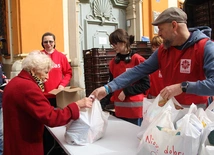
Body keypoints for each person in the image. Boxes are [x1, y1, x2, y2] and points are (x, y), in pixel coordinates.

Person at [91, 7, 214, 110]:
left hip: (198, 116)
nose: (158, 34)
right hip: (171, 114)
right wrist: (108, 88)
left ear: (174, 25)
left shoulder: (205, 47)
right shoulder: (163, 50)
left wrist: (183, 87)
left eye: (161, 29)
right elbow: (139, 70)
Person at [2, 50, 93, 155]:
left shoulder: (16, 81)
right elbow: (51, 118)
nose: (47, 77)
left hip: (15, 144)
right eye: (45, 72)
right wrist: (76, 105)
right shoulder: (27, 87)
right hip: (25, 147)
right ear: (33, 70)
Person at [105, 29, 150, 126]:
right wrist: (100, 103)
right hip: (120, 111)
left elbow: (146, 85)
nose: (113, 46)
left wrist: (127, 91)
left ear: (124, 42)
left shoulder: (138, 60)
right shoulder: (113, 63)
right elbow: (111, 85)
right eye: (112, 44)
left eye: (115, 43)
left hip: (135, 112)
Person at [41, 32, 72, 107]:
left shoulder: (61, 56)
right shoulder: (38, 56)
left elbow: (68, 73)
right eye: (45, 42)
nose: (48, 44)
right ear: (42, 43)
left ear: (54, 42)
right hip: (42, 95)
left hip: (58, 94)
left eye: (51, 41)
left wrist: (62, 85)